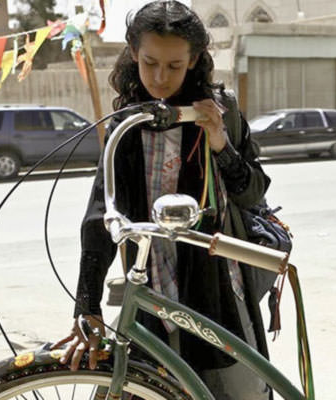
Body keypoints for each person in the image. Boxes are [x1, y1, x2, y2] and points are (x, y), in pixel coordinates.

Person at [52, 1, 272, 399]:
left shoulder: (220, 112)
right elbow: (101, 216)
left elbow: (253, 191)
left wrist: (219, 141)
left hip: (216, 286)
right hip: (151, 284)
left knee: (230, 388)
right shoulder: (128, 124)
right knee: (145, 386)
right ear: (133, 53)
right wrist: (87, 306)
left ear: (194, 61)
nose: (159, 77)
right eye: (150, 62)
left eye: (174, 66)